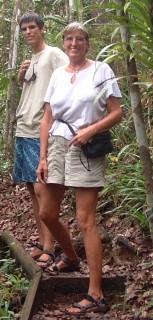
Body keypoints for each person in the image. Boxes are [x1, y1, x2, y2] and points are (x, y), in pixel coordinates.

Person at [36, 21, 122, 315]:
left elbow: (117, 112)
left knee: (85, 219)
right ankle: (71, 257)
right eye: (70, 39)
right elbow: (47, 118)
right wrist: (43, 157)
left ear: (87, 43)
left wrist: (91, 130)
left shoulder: (101, 71)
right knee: (47, 212)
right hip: (57, 146)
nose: (74, 43)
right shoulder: (58, 75)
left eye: (80, 39)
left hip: (86, 147)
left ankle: (96, 293)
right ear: (64, 42)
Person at [13, 12, 68, 268]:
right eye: (24, 29)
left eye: (32, 27)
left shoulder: (54, 54)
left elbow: (69, 78)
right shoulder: (31, 59)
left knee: (40, 187)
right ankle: (42, 242)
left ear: (42, 28)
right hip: (23, 127)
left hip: (40, 129)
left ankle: (51, 246)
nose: (27, 32)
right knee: (30, 188)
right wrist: (21, 77)